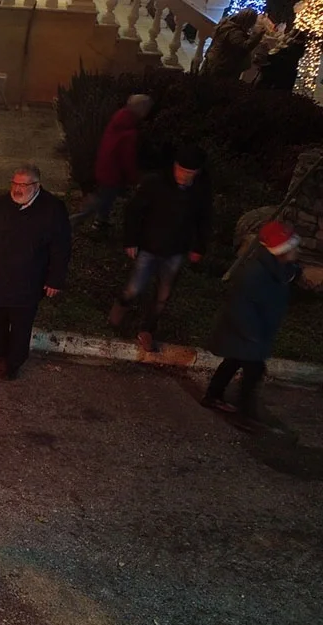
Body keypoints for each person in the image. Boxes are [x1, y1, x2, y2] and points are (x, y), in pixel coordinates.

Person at [0, 165, 72, 381]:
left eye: (23, 185)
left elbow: (61, 247)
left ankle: (14, 362)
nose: (17, 189)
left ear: (36, 186)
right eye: (14, 183)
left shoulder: (52, 209)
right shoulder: (3, 203)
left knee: (21, 324)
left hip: (27, 280)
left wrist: (55, 279)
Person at [109, 145, 212, 352]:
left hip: (175, 251)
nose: (184, 176)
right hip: (149, 247)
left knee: (163, 296)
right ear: (175, 166)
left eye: (190, 173)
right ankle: (114, 319)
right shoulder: (156, 184)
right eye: (182, 171)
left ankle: (147, 330)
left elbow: (204, 219)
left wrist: (198, 247)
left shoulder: (200, 191)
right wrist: (131, 240)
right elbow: (133, 211)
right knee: (133, 288)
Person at [202, 221, 301, 424]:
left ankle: (213, 395)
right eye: (292, 247)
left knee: (232, 361)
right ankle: (245, 414)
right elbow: (240, 307)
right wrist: (253, 335)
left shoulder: (279, 267)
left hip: (252, 332)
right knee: (254, 372)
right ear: (281, 250)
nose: (297, 250)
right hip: (248, 333)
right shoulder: (255, 273)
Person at [72, 94, 151, 233]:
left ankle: (100, 222)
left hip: (104, 166)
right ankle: (74, 221)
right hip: (113, 173)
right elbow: (127, 158)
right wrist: (133, 178)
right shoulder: (130, 132)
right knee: (103, 199)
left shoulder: (118, 120)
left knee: (105, 197)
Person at [202, 9, 265, 80]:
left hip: (213, 59)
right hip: (221, 65)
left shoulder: (226, 23)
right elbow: (244, 48)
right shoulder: (234, 32)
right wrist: (257, 36)